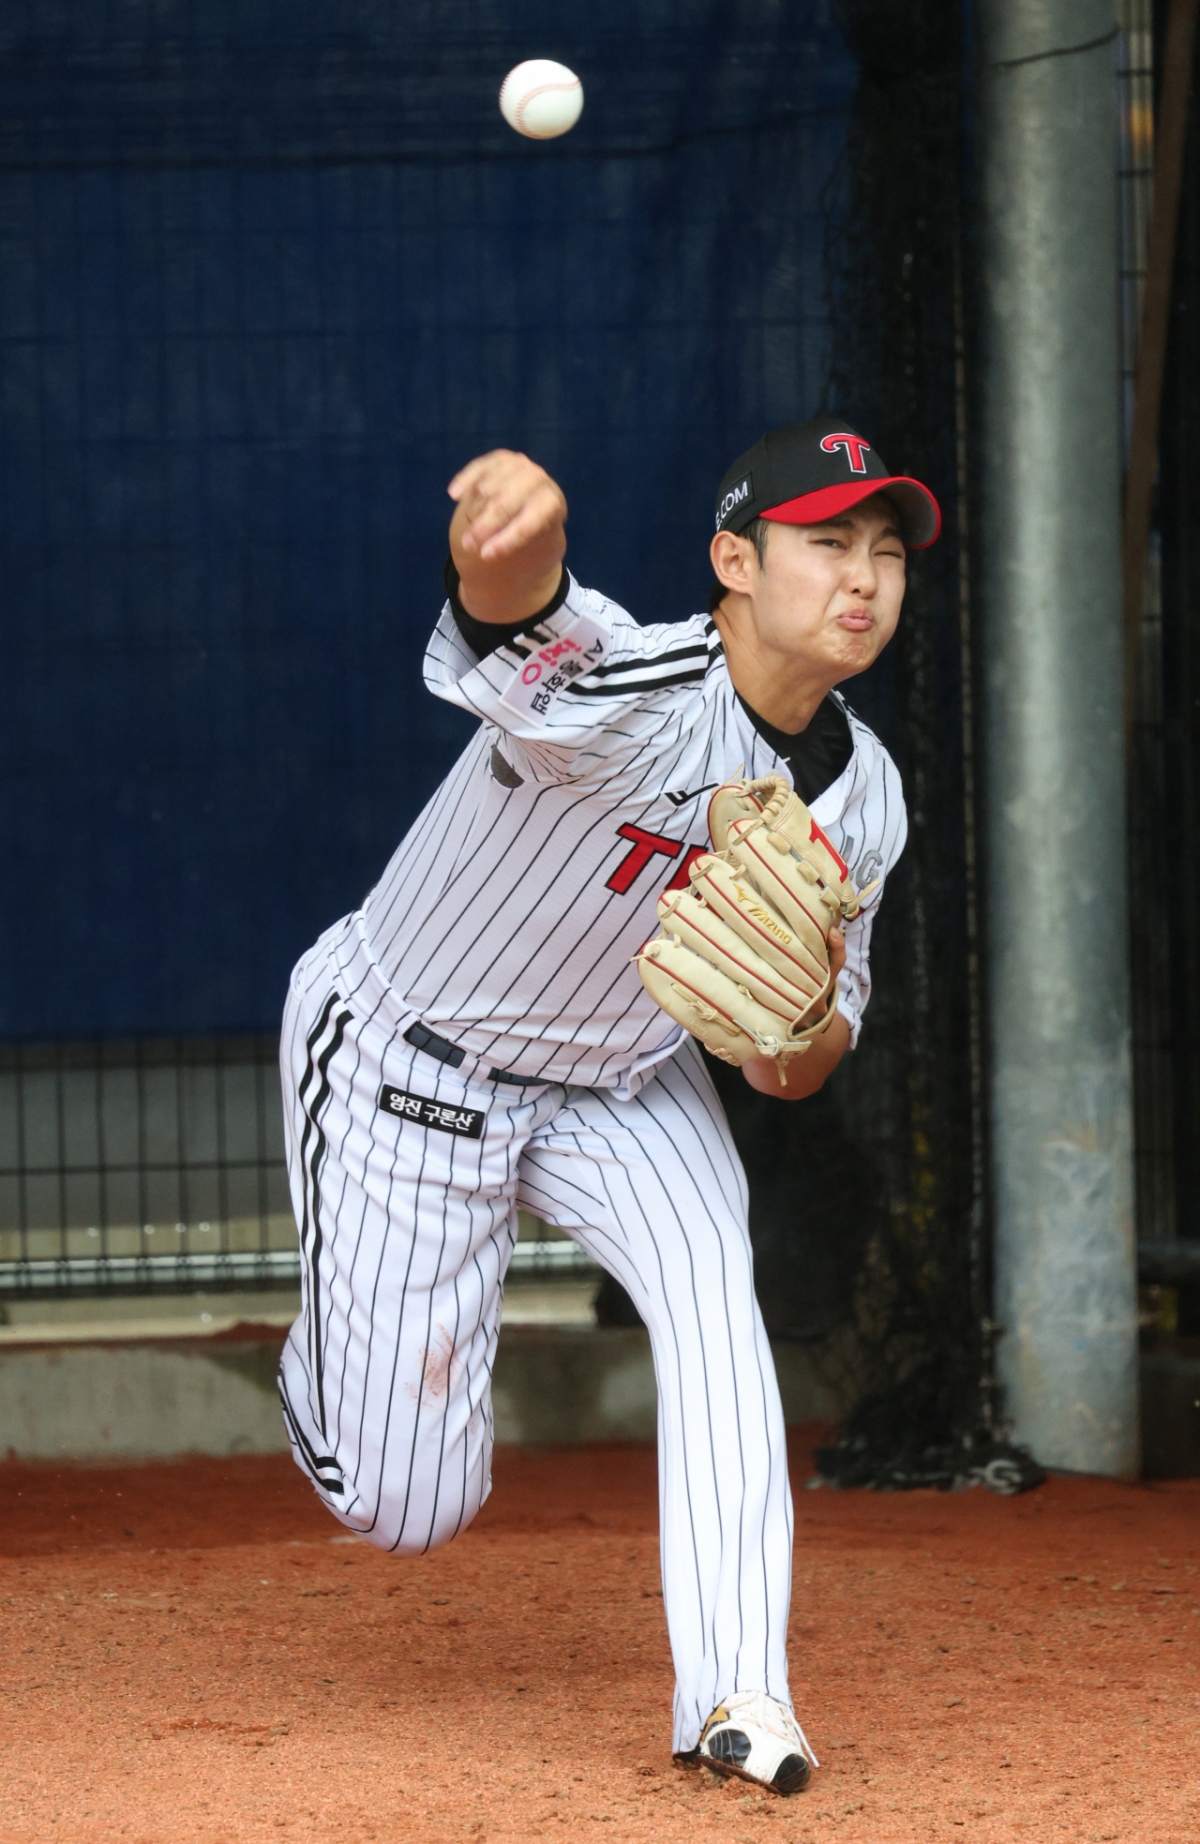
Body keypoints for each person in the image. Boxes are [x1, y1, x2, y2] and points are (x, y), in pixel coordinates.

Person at [277, 418, 940, 1795]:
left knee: (712, 1291)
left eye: (886, 551)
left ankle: (739, 1693)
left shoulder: (866, 799)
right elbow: (514, 621)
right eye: (827, 543)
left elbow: (803, 1064)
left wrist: (797, 1017)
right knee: (405, 1508)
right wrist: (513, 545)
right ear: (734, 563)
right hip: (415, 1057)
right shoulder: (637, 685)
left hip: (625, 1084)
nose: (863, 577)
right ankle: (334, 1361)